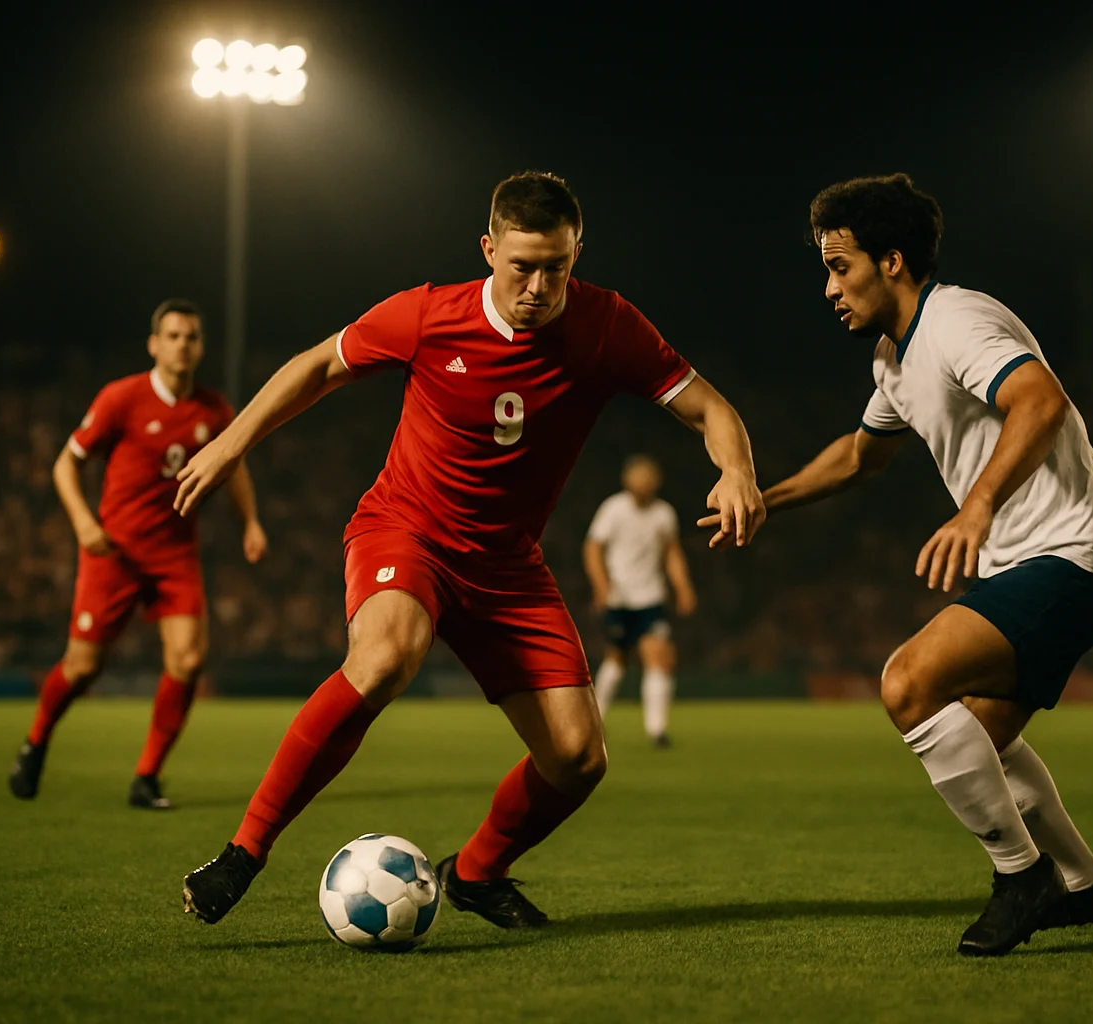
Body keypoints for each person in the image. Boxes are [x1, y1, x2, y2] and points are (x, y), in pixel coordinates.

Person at [175, 171, 765, 929]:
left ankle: (479, 872)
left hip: (508, 568)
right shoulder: (428, 314)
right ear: (489, 250)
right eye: (522, 266)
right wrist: (230, 445)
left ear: (578, 252)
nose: (539, 285)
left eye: (558, 265)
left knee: (580, 758)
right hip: (407, 530)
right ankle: (243, 853)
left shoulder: (607, 325)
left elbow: (709, 407)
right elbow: (320, 365)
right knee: (386, 656)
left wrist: (736, 469)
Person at [726, 174, 1093, 957]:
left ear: (891, 262)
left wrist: (976, 507)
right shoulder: (894, 357)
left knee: (908, 682)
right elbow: (859, 457)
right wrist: (765, 499)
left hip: (1074, 555)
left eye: (839, 267)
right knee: (979, 735)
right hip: (1042, 562)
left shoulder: (958, 320)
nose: (828, 288)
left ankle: (1021, 876)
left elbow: (1041, 401)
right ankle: (1086, 883)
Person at [8, 299, 267, 809]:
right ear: (153, 344)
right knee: (82, 668)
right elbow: (66, 464)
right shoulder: (121, 399)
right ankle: (37, 740)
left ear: (201, 346)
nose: (182, 345)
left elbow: (233, 468)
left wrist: (250, 523)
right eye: (172, 336)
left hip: (175, 556)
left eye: (191, 336)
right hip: (116, 555)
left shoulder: (213, 409)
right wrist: (84, 523)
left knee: (189, 660)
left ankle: (146, 778)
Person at [584, 455, 697, 747]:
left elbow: (672, 553)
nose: (645, 482)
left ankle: (657, 729)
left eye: (650, 476)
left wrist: (683, 587)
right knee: (617, 658)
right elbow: (593, 548)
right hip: (620, 597)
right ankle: (594, 722)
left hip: (650, 597)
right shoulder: (613, 509)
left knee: (659, 657)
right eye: (640, 476)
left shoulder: (663, 514)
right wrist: (601, 587)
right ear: (627, 479)